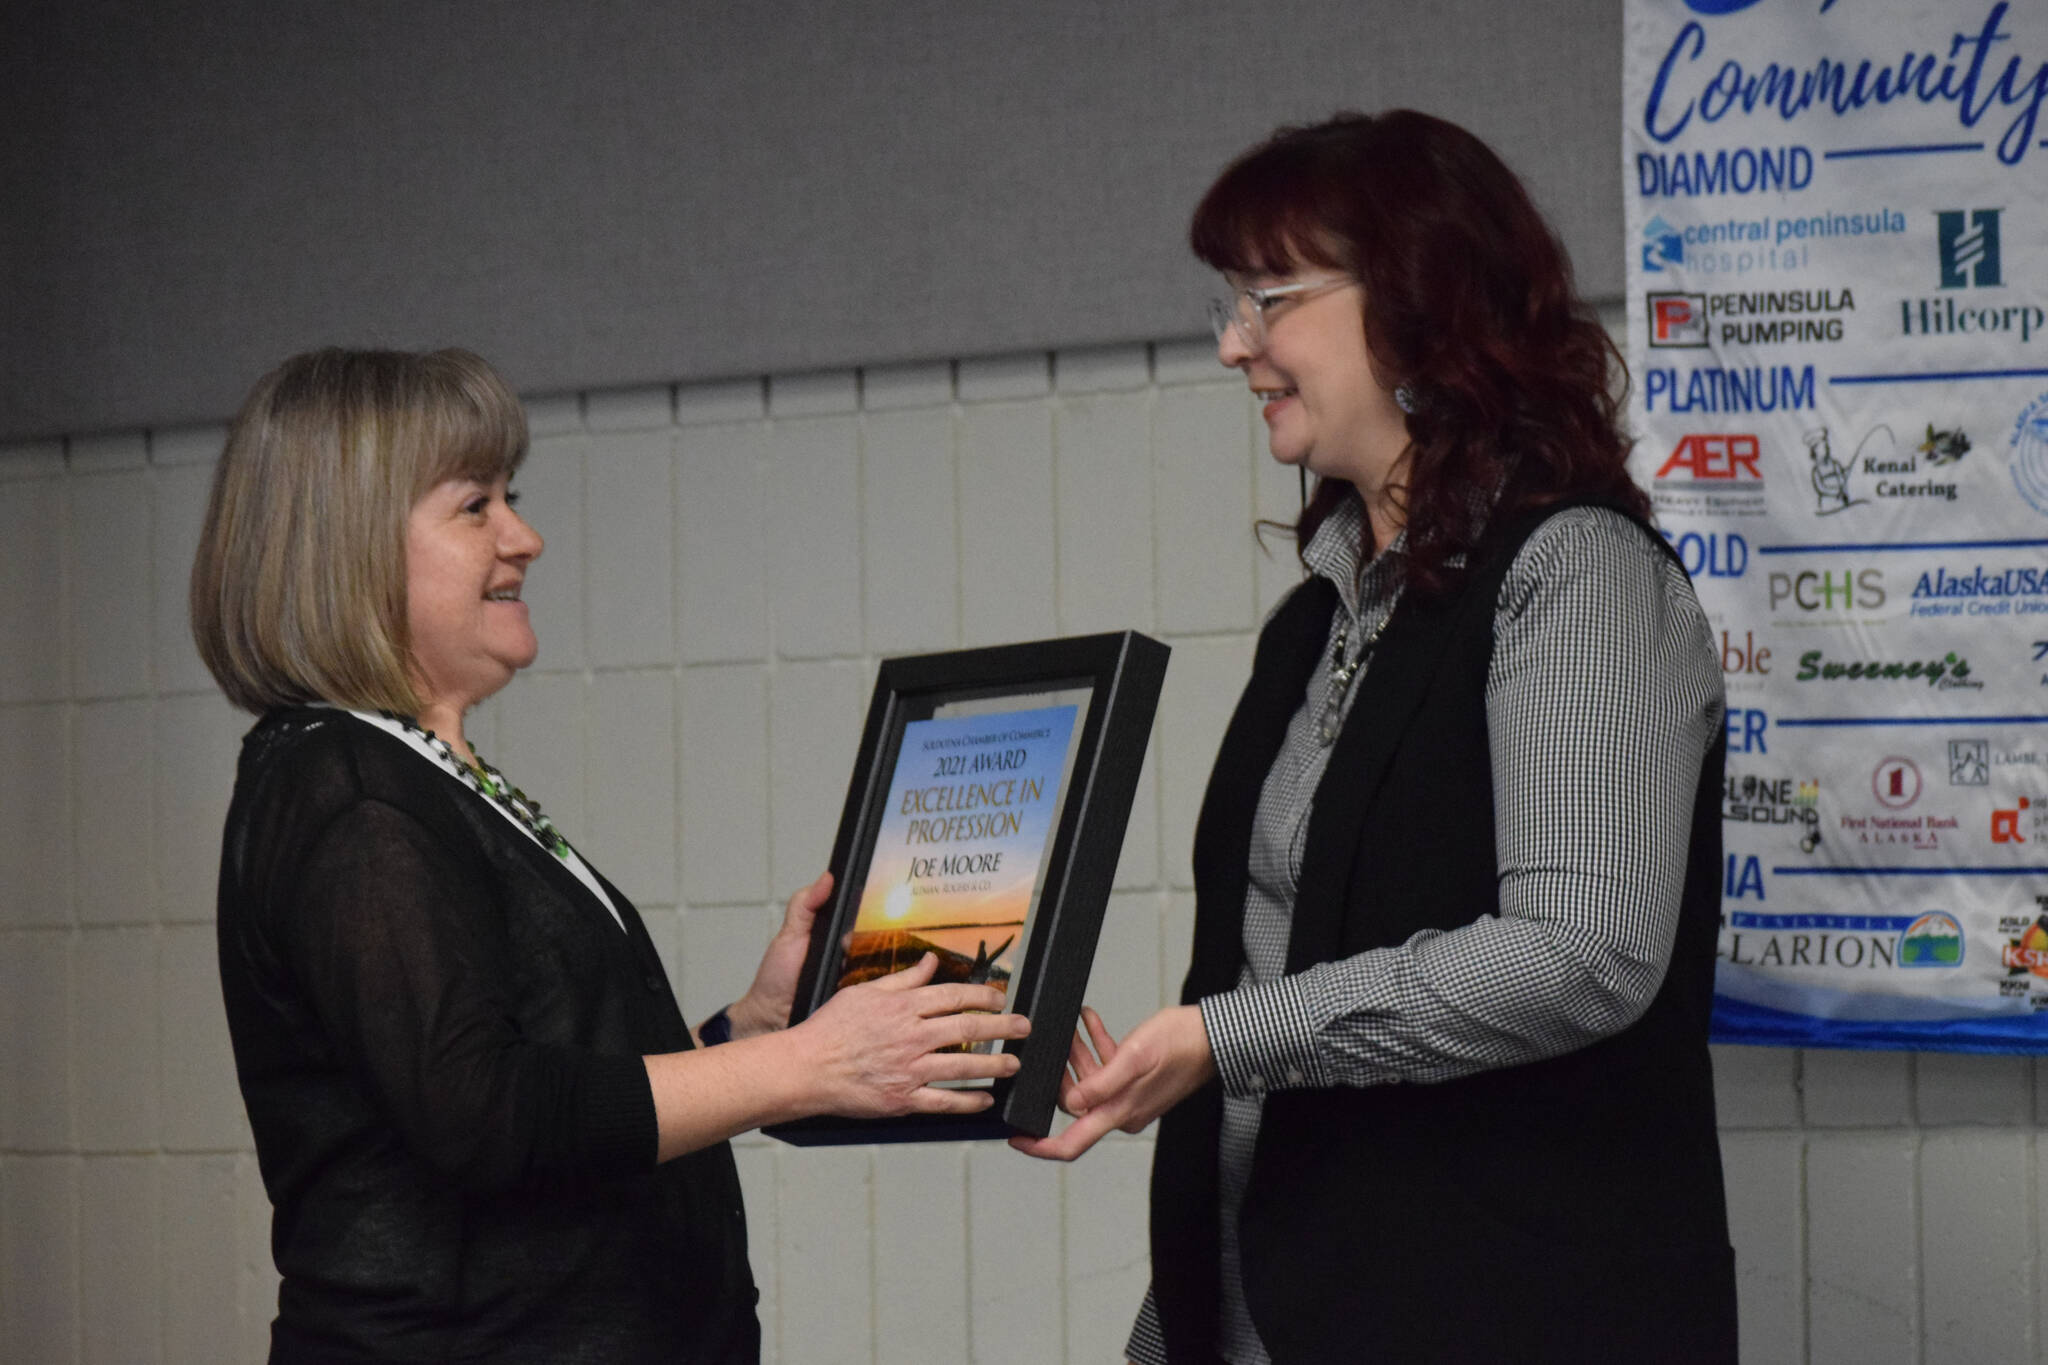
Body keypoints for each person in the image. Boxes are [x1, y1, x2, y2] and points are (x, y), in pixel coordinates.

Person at [1013, 111, 1736, 1363]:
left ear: (1417, 305)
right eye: (1227, 304)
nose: (1236, 346)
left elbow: (1584, 955)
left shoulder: (1573, 575)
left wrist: (1220, 1037)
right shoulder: (1313, 621)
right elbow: (1265, 979)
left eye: (1267, 298)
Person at [193, 347, 1029, 1364]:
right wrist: (805, 1064)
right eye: (475, 507)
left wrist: (743, 1030)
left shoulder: (413, 773)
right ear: (350, 546)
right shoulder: (353, 792)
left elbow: (554, 1087)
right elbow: (483, 1115)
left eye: (514, 497)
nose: (525, 537)